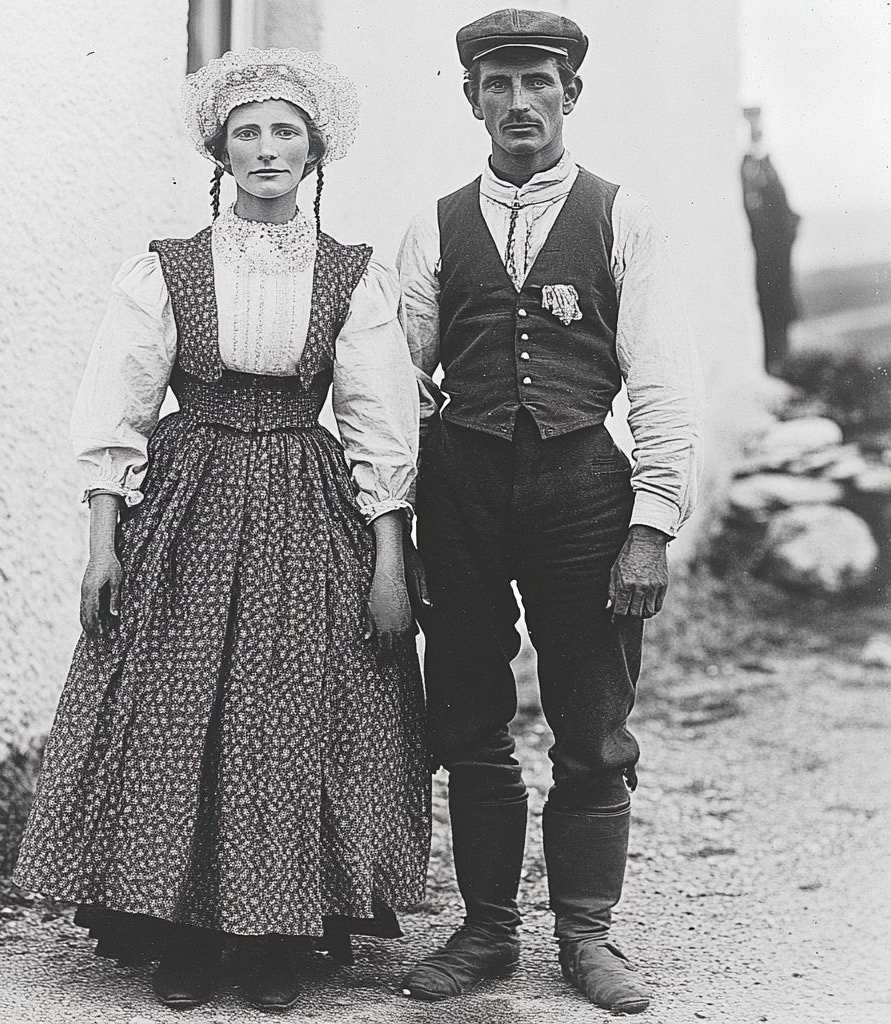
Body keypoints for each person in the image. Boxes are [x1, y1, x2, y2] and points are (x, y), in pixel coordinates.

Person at [14, 47, 430, 1014]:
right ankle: (185, 934)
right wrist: (102, 543)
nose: (267, 148)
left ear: (314, 151)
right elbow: (114, 413)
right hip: (187, 503)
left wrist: (388, 564)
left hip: (302, 505)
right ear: (221, 150)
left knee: (288, 719)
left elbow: (378, 427)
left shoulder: (350, 276)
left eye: (286, 131)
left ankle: (281, 938)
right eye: (248, 132)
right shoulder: (170, 270)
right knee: (175, 712)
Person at [396, 10, 703, 1015]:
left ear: (571, 92)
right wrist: (401, 506)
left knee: (591, 719)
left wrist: (648, 524)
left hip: (582, 490)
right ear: (470, 97)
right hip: (464, 495)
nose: (517, 102)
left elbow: (659, 376)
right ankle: (487, 929)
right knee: (469, 715)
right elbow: (396, 375)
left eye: (536, 81)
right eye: (496, 83)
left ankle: (584, 932)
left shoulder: (623, 215)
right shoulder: (435, 223)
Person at [741, 106, 800, 375]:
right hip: (765, 259)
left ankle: (777, 364)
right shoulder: (751, 167)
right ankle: (774, 364)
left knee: (777, 310)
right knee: (772, 311)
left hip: (773, 259)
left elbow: (784, 214)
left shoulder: (762, 167)